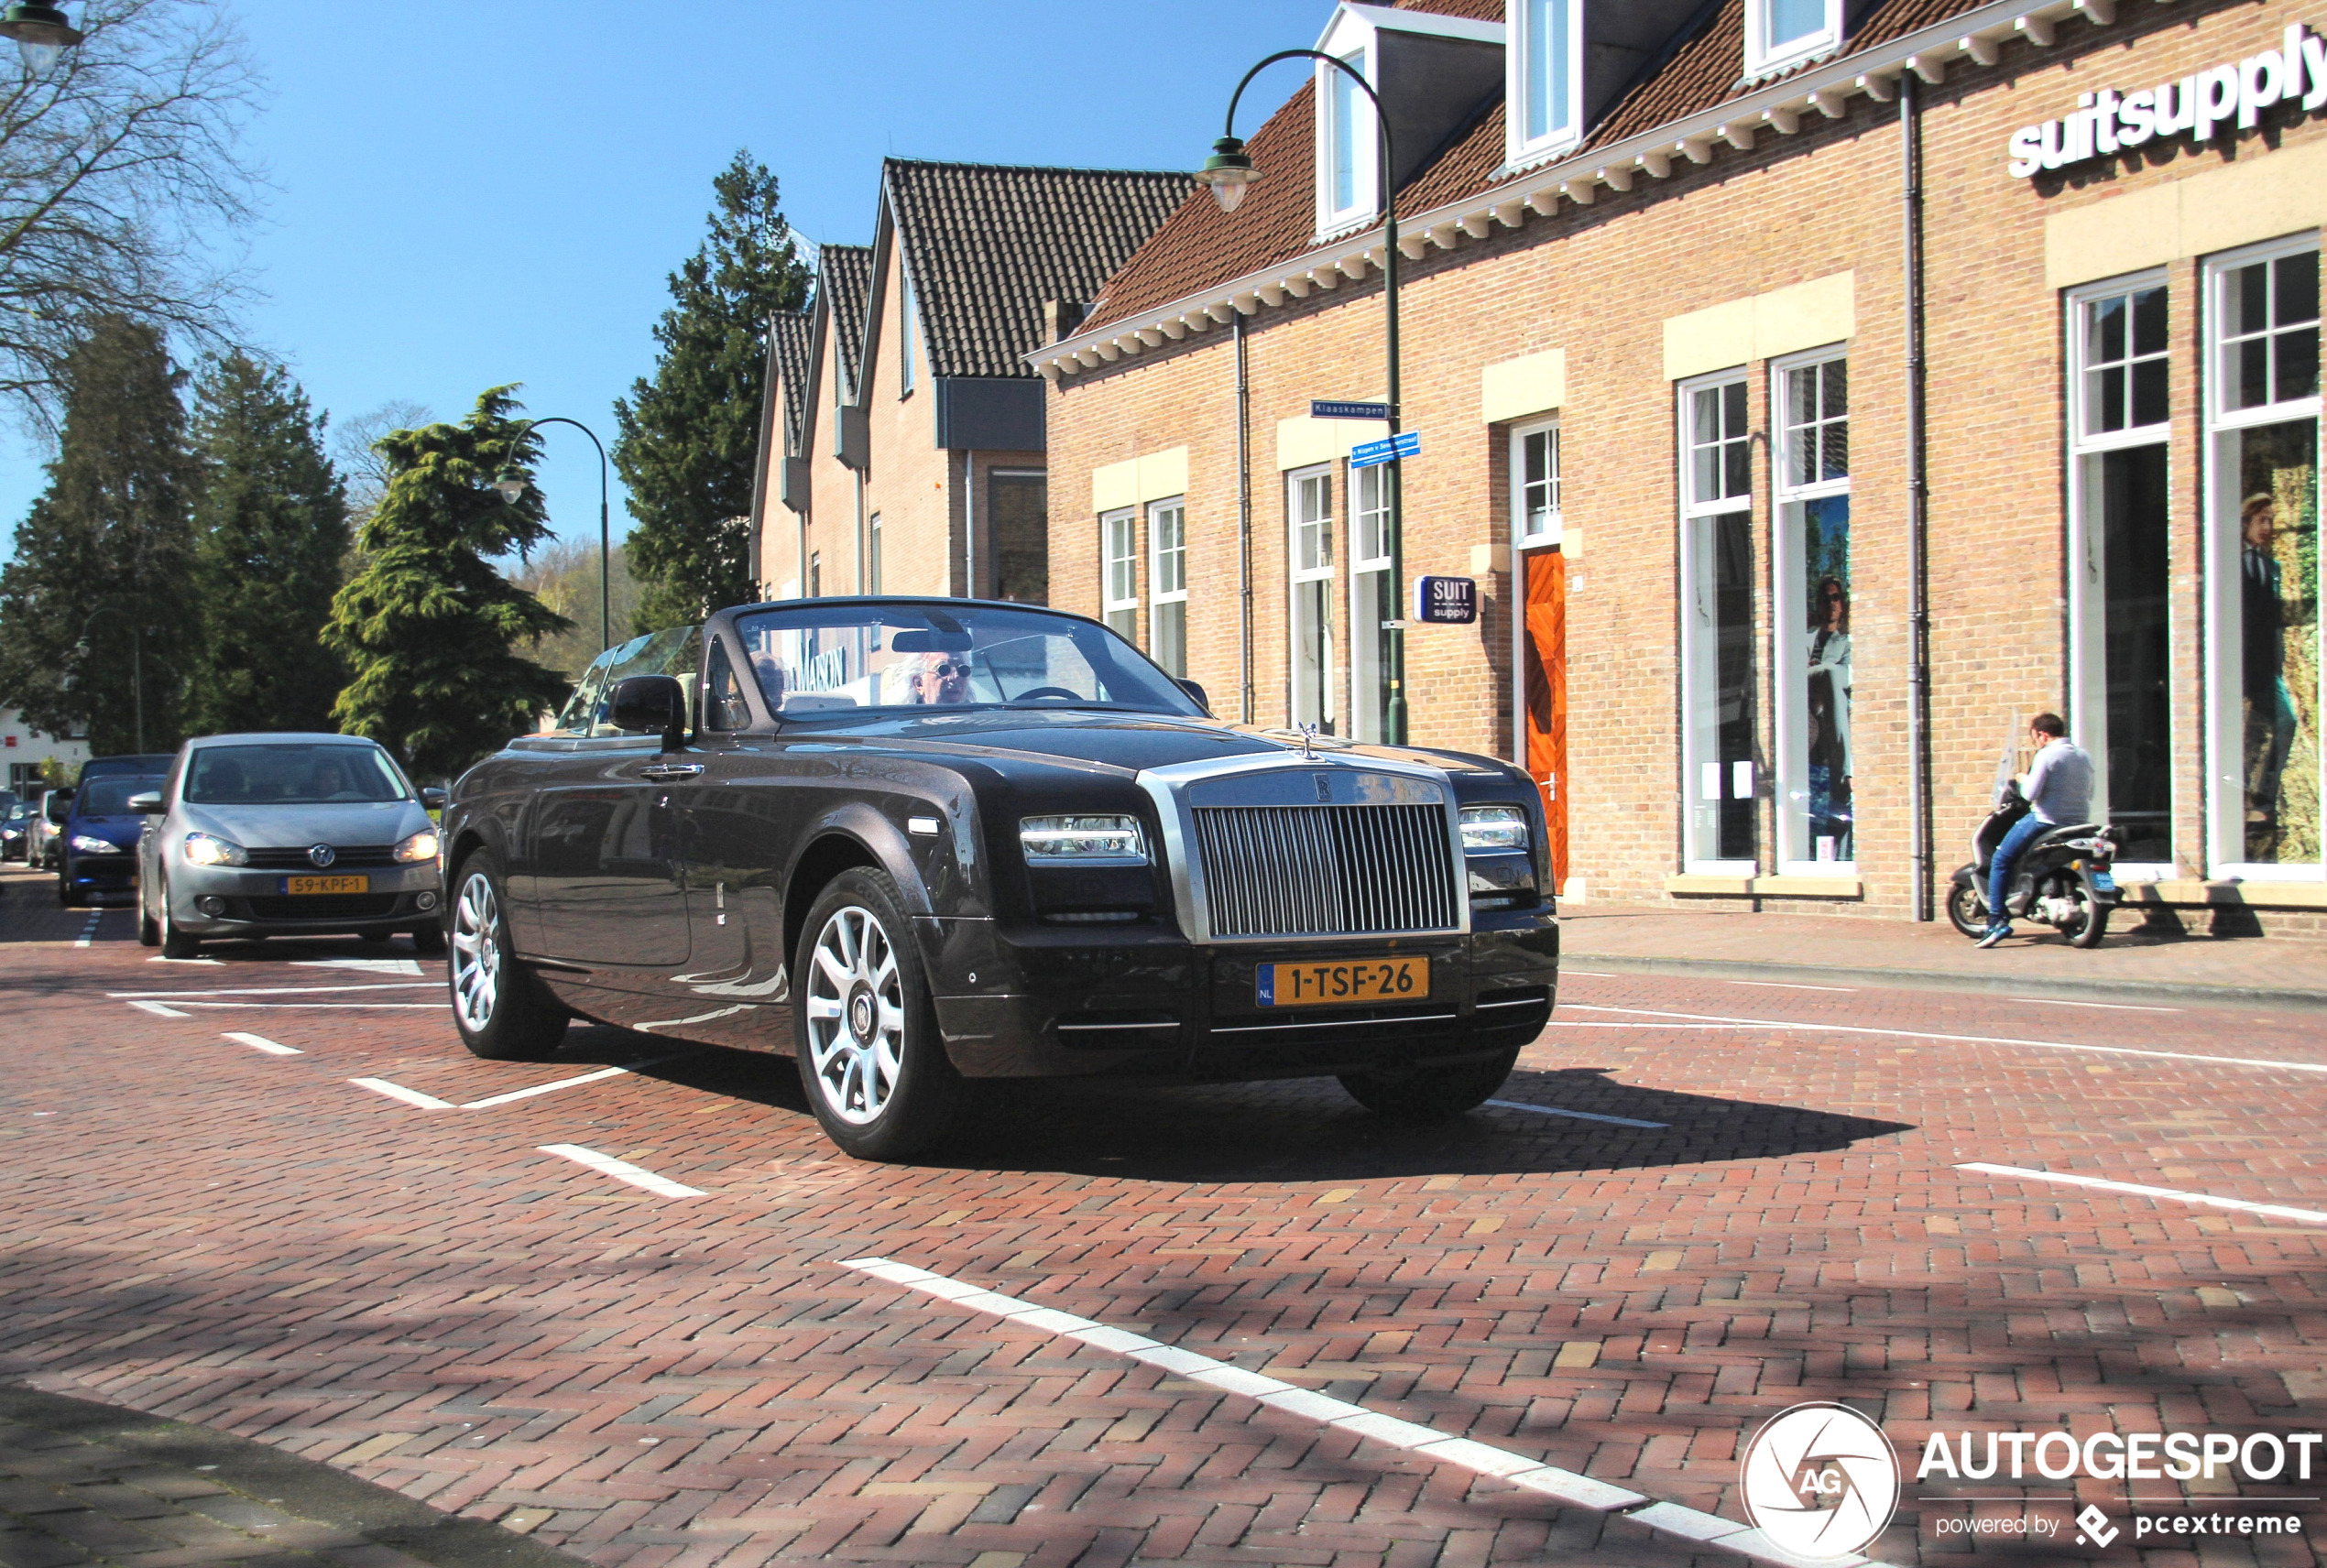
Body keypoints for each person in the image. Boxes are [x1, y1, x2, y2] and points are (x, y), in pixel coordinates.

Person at [1978, 712, 2094, 949]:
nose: (2035, 743)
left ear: (2042, 734)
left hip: (2046, 820)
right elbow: (2090, 792)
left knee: (2001, 858)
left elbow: (2029, 794)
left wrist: (2021, 778)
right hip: (2079, 822)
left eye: (2034, 738)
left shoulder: (2046, 755)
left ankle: (1997, 920)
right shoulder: (2084, 755)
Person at [2239, 493, 2297, 836]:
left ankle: (2262, 799)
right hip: (2235, 661)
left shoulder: (2271, 567)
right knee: (2238, 733)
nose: (2268, 528)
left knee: (2285, 720)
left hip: (2263, 665)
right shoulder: (2229, 562)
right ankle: (2239, 799)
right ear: (2245, 523)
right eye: (2262, 520)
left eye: (2272, 521)